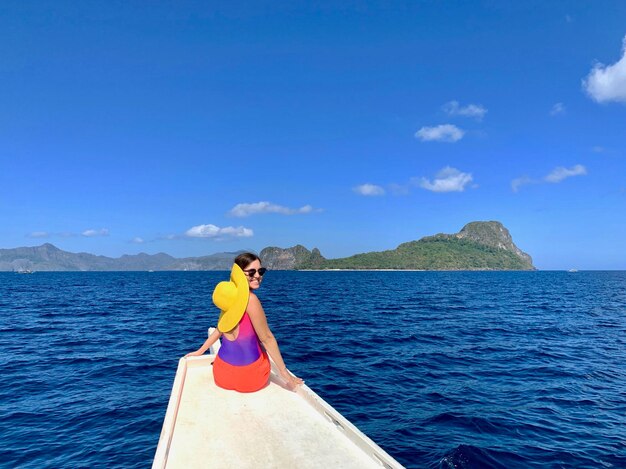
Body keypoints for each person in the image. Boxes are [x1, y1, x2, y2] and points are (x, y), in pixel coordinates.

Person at [185, 253, 303, 392]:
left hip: (222, 375)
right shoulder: (251, 300)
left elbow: (220, 329)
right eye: (251, 272)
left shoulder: (230, 298)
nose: (258, 275)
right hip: (250, 379)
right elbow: (267, 338)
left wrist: (200, 351)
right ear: (240, 274)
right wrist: (286, 375)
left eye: (261, 271)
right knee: (261, 344)